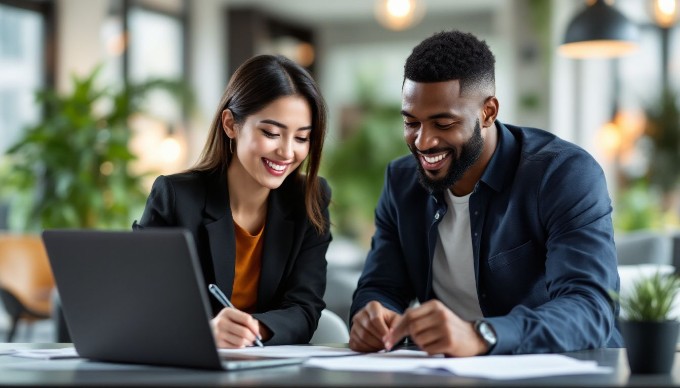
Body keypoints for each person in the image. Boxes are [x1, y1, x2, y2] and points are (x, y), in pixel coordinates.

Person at [349, 30, 623, 356]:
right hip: (445, 373)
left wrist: (483, 335)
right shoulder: (401, 182)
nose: (423, 142)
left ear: (488, 112)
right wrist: (374, 315)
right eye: (412, 123)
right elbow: (381, 287)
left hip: (565, 369)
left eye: (443, 124)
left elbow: (591, 307)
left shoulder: (563, 174)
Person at [135, 55, 331, 348]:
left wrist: (254, 329)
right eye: (271, 133)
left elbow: (305, 308)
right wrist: (204, 331)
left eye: (302, 138)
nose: (287, 152)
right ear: (230, 124)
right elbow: (142, 303)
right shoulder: (175, 198)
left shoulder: (309, 199)